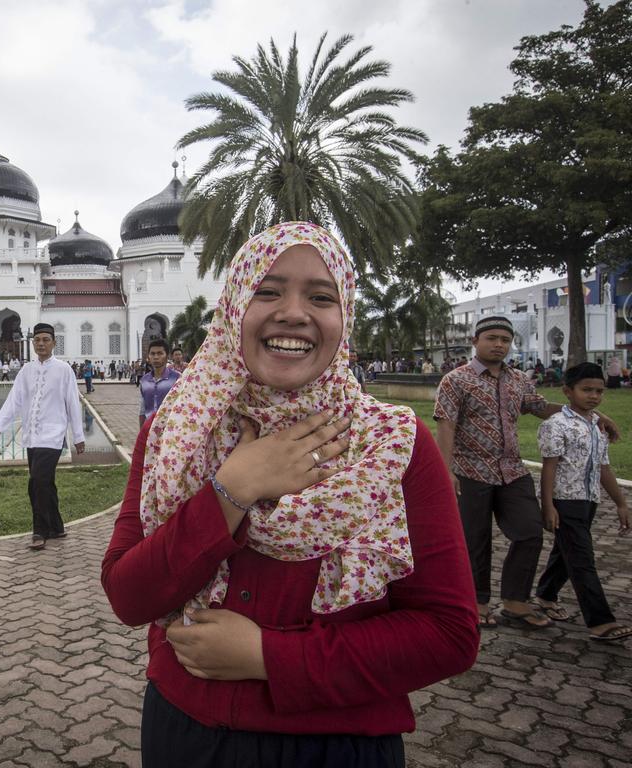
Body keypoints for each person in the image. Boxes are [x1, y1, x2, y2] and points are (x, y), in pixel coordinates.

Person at [103, 222, 478, 767]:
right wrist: (231, 490)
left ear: (343, 319)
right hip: (183, 731)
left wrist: (269, 656)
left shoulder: (390, 446)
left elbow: (447, 634)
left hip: (335, 744)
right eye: (268, 290)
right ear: (233, 308)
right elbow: (129, 596)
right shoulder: (176, 435)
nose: (294, 313)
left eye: (320, 297)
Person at [434, 317, 618, 630]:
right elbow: (446, 424)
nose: (499, 345)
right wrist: (446, 471)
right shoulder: (456, 380)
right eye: (492, 338)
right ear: (476, 340)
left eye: (505, 340)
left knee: (530, 530)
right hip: (470, 469)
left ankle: (515, 603)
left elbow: (540, 406)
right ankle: (476, 603)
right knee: (475, 540)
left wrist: (594, 413)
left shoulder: (518, 379)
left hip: (511, 470)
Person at [533, 362, 631, 643]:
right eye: (586, 390)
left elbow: (604, 468)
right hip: (565, 501)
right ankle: (600, 621)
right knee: (582, 560)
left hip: (589, 500)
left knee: (566, 553)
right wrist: (548, 505)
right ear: (567, 391)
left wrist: (621, 504)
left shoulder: (597, 426)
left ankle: (545, 595)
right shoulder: (556, 425)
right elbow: (548, 468)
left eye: (599, 391)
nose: (593, 396)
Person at [0, 323, 85, 550]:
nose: (41, 344)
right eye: (37, 340)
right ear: (33, 344)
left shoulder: (63, 370)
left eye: (45, 340)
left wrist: (78, 436)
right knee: (45, 483)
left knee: (37, 482)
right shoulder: (26, 371)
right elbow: (14, 400)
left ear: (53, 343)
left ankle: (39, 531)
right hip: (32, 436)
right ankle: (57, 526)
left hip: (52, 436)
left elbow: (73, 402)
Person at [139, 339, 180, 427]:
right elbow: (142, 410)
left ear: (167, 356)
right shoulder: (144, 381)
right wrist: (141, 432)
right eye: (152, 354)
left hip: (170, 429)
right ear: (149, 357)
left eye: (160, 353)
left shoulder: (177, 379)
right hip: (149, 428)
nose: (156, 357)